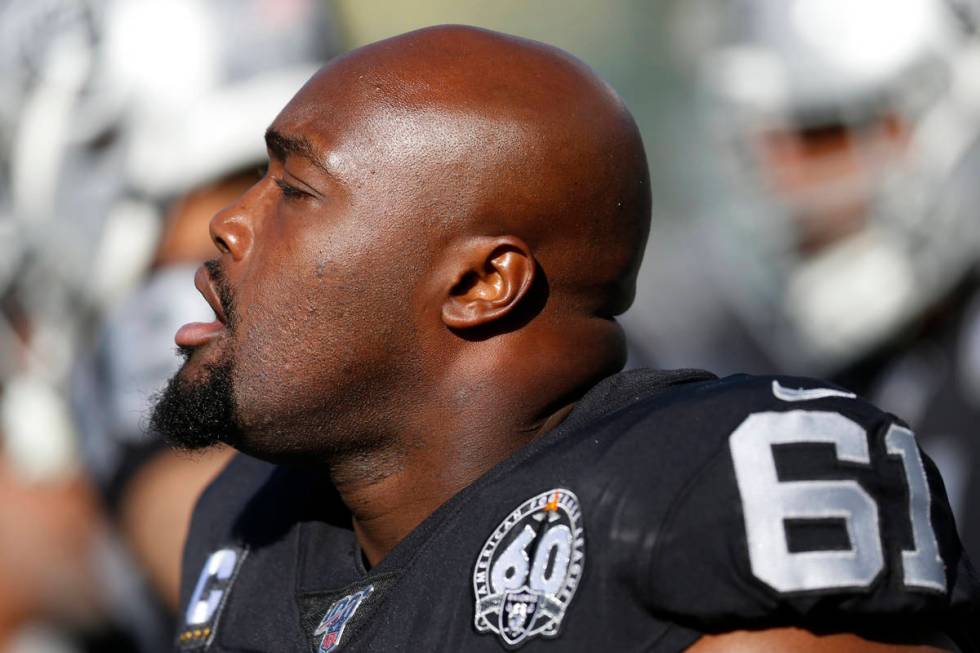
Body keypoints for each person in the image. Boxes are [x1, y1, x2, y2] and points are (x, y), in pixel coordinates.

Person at [150, 26, 979, 652]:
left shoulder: (695, 507)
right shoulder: (248, 521)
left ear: (481, 284)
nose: (227, 224)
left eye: (294, 187)